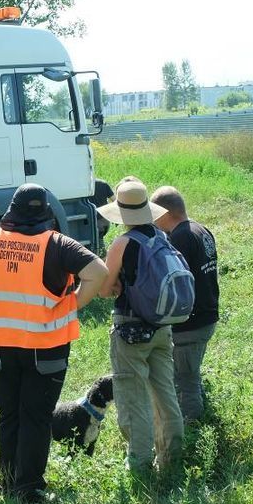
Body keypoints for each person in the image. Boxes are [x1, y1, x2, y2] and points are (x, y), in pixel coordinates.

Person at [0, 184, 107, 504]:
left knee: (9, 415)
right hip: (45, 348)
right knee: (35, 417)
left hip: (1, 345)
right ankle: (29, 490)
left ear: (12, 210)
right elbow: (98, 271)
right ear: (44, 213)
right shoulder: (57, 244)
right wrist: (73, 303)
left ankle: (7, 483)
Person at [97, 178, 184, 475]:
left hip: (130, 329)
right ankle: (172, 457)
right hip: (161, 327)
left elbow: (104, 288)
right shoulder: (161, 237)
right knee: (164, 393)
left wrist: (117, 284)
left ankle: (141, 465)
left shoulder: (122, 243)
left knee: (134, 399)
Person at [151, 186, 219, 423]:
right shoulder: (201, 230)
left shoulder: (179, 237)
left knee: (185, 380)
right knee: (190, 374)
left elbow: (172, 281)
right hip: (207, 314)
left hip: (190, 322)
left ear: (163, 213)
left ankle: (192, 427)